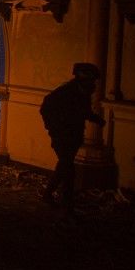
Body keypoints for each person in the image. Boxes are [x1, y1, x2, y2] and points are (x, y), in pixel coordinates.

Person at [39, 62, 106, 213]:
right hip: (62, 136)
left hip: (73, 136)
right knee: (69, 169)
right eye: (91, 81)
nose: (93, 85)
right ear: (83, 79)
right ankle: (66, 203)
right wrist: (53, 128)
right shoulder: (65, 92)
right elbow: (45, 108)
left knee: (64, 166)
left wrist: (96, 120)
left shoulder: (83, 94)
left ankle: (49, 195)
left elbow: (84, 112)